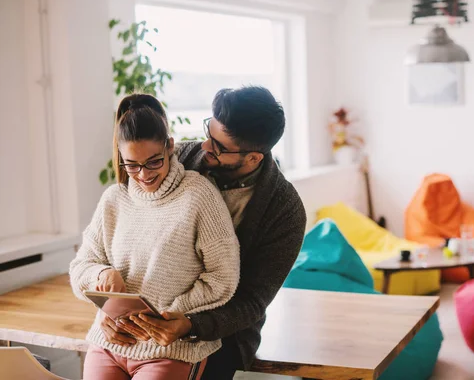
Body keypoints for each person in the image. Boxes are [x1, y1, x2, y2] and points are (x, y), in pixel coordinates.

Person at [102, 86, 307, 379]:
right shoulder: (178, 158)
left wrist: (190, 325)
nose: (205, 146)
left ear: (253, 159)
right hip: (144, 317)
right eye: (208, 131)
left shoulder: (285, 211)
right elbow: (126, 231)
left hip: (222, 333)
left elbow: (252, 302)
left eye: (219, 147)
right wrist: (110, 310)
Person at [69, 93, 240, 380]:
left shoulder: (198, 195)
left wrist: (167, 316)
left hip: (171, 348)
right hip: (109, 341)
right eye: (131, 165)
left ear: (170, 147)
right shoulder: (113, 199)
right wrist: (102, 275)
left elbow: (223, 278)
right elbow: (79, 269)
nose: (143, 175)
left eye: (153, 162)